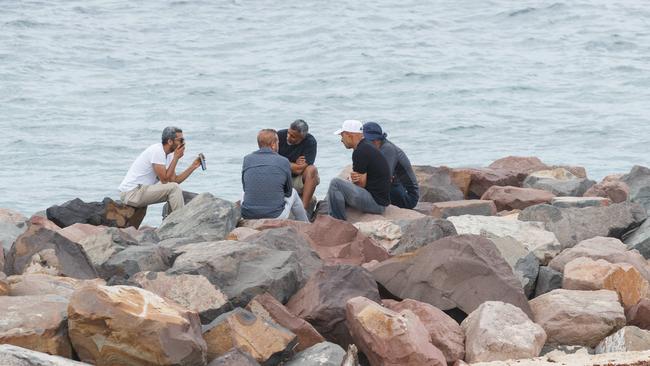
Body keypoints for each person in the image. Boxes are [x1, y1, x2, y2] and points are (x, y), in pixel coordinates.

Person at [118, 126, 201, 213]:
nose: (183, 143)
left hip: (141, 190)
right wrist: (176, 158)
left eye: (183, 140)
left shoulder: (169, 155)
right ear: (169, 141)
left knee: (174, 186)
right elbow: (165, 180)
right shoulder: (157, 151)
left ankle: (172, 220)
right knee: (174, 188)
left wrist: (193, 166)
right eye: (180, 140)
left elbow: (174, 180)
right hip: (132, 193)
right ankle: (180, 220)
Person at [326, 120, 391, 220]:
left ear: (349, 135)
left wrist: (353, 181)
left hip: (376, 203)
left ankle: (337, 222)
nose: (341, 140)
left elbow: (361, 184)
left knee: (335, 183)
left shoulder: (360, 151)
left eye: (342, 136)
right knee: (342, 183)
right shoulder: (367, 146)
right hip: (380, 200)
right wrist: (352, 180)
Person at [241, 129, 309, 222]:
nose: (278, 145)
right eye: (278, 142)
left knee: (244, 192)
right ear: (273, 144)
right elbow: (288, 191)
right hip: (275, 216)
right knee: (293, 192)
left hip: (248, 215)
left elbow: (245, 187)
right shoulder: (283, 161)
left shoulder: (247, 159)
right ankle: (306, 224)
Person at [362, 122, 420, 209]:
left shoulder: (387, 149)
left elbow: (384, 179)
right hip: (396, 189)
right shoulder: (376, 149)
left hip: (408, 197)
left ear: (376, 140)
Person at [277, 119, 320, 210]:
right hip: (280, 177)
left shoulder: (310, 142)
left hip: (297, 179)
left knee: (312, 170)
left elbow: (299, 170)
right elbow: (271, 161)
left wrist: (282, 161)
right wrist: (293, 163)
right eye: (288, 133)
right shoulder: (279, 136)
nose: (288, 137)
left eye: (293, 136)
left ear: (302, 137)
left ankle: (303, 208)